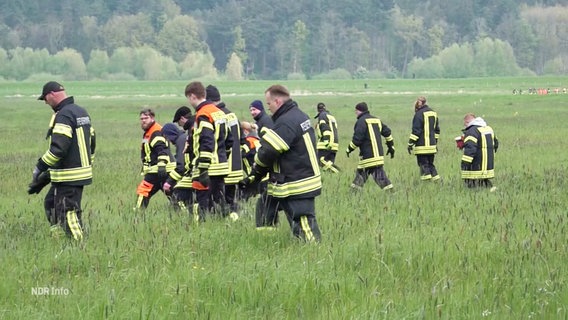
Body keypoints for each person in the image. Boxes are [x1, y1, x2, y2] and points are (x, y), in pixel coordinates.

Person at [241, 84, 322, 242]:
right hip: (291, 180)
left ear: (277, 102)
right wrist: (255, 177)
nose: (268, 108)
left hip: (297, 183)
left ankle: (316, 254)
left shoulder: (286, 122)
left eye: (269, 104)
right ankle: (267, 243)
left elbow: (268, 151)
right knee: (265, 206)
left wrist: (255, 171)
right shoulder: (299, 115)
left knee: (303, 224)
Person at [29, 81, 96, 240]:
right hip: (75, 173)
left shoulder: (64, 115)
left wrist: (40, 167)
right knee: (51, 203)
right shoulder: (81, 112)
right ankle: (58, 238)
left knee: (68, 212)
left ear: (51, 94)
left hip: (69, 175)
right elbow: (91, 140)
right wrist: (87, 163)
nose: (45, 102)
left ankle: (79, 246)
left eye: (45, 98)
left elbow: (58, 149)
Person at [185, 81, 229, 221]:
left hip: (207, 167)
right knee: (219, 201)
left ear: (192, 96)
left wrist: (203, 167)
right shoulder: (219, 112)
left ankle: (200, 228)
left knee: (201, 202)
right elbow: (229, 140)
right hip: (221, 165)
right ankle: (227, 223)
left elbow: (206, 140)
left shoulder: (203, 114)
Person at [206, 85, 242, 221]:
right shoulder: (232, 115)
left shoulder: (216, 116)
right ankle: (236, 219)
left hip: (222, 166)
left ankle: (225, 221)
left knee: (219, 202)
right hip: (236, 168)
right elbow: (242, 140)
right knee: (230, 200)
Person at [346, 102, 395, 191]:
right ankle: (352, 194)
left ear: (359, 110)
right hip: (378, 155)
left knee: (379, 177)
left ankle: (392, 194)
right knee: (361, 175)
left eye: (356, 111)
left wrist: (349, 149)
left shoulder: (361, 122)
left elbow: (357, 139)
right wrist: (391, 146)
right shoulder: (377, 120)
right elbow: (387, 133)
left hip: (368, 157)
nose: (355, 113)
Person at [135, 108, 175, 209]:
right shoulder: (149, 132)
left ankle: (136, 215)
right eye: (142, 118)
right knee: (172, 194)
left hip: (160, 170)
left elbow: (162, 149)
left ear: (152, 118)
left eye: (146, 118)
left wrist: (161, 165)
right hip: (158, 170)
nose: (143, 120)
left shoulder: (156, 131)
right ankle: (184, 213)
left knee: (143, 191)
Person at [461, 113, 499, 189]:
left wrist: (464, 164)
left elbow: (470, 149)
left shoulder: (471, 131)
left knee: (473, 187)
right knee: (485, 184)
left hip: (475, 167)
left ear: (467, 122)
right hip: (488, 166)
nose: (465, 127)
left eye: (465, 125)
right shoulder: (488, 129)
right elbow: (496, 144)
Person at [407, 96, 441, 181]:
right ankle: (437, 181)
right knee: (430, 165)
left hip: (422, 147)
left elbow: (416, 131)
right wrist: (435, 142)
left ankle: (427, 183)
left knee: (423, 165)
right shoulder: (433, 113)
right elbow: (437, 130)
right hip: (432, 146)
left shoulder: (418, 114)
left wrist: (410, 144)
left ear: (418, 104)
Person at [161, 122, 191, 210]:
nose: (168, 141)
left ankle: (184, 216)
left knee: (177, 197)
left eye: (167, 137)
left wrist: (169, 182)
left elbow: (181, 166)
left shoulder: (181, 141)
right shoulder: (184, 137)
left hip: (190, 177)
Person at [314, 102, 340, 173]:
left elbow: (325, 129)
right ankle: (334, 176)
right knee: (328, 164)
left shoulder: (322, 116)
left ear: (318, 110)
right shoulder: (331, 116)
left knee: (320, 162)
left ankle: (338, 172)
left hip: (326, 144)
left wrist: (326, 142)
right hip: (335, 143)